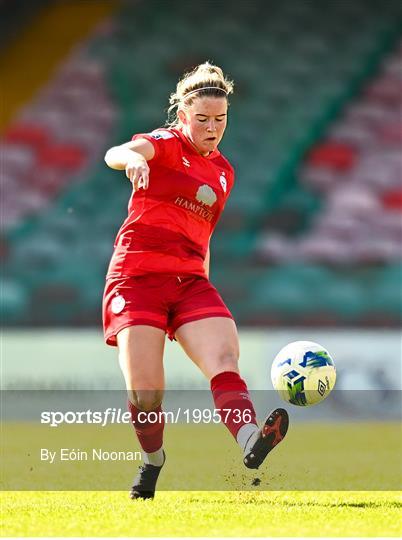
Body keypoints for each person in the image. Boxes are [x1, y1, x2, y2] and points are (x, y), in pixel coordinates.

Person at [103, 62, 289, 499]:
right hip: (138, 278)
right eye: (202, 119)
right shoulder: (166, 144)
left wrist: (203, 286)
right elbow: (117, 152)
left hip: (189, 281)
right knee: (146, 394)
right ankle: (153, 461)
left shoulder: (225, 173)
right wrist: (131, 157)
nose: (211, 127)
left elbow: (202, 236)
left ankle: (251, 441)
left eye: (220, 119)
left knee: (224, 357)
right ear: (183, 117)